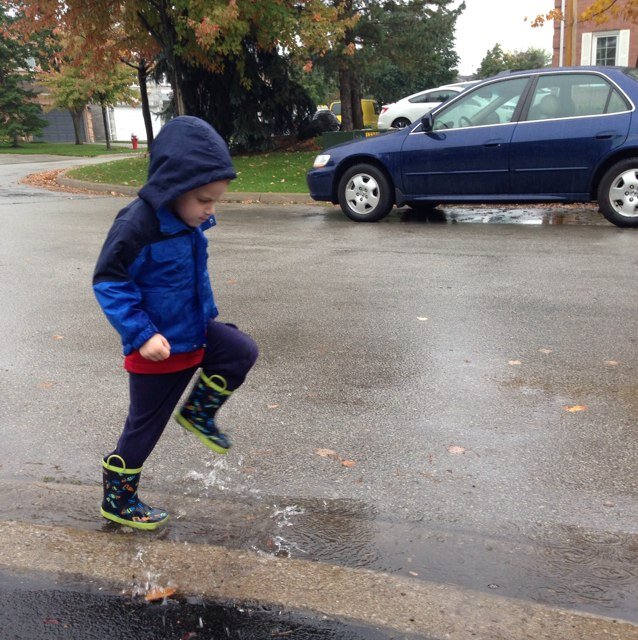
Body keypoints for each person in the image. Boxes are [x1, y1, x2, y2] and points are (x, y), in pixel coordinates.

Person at [93, 116, 258, 530]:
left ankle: (199, 413)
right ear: (173, 187)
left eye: (216, 200)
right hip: (158, 347)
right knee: (143, 429)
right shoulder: (138, 225)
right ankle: (119, 499)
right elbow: (109, 281)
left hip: (196, 332)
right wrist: (142, 334)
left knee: (240, 351)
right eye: (204, 199)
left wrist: (206, 317)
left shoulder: (189, 219)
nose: (210, 209)